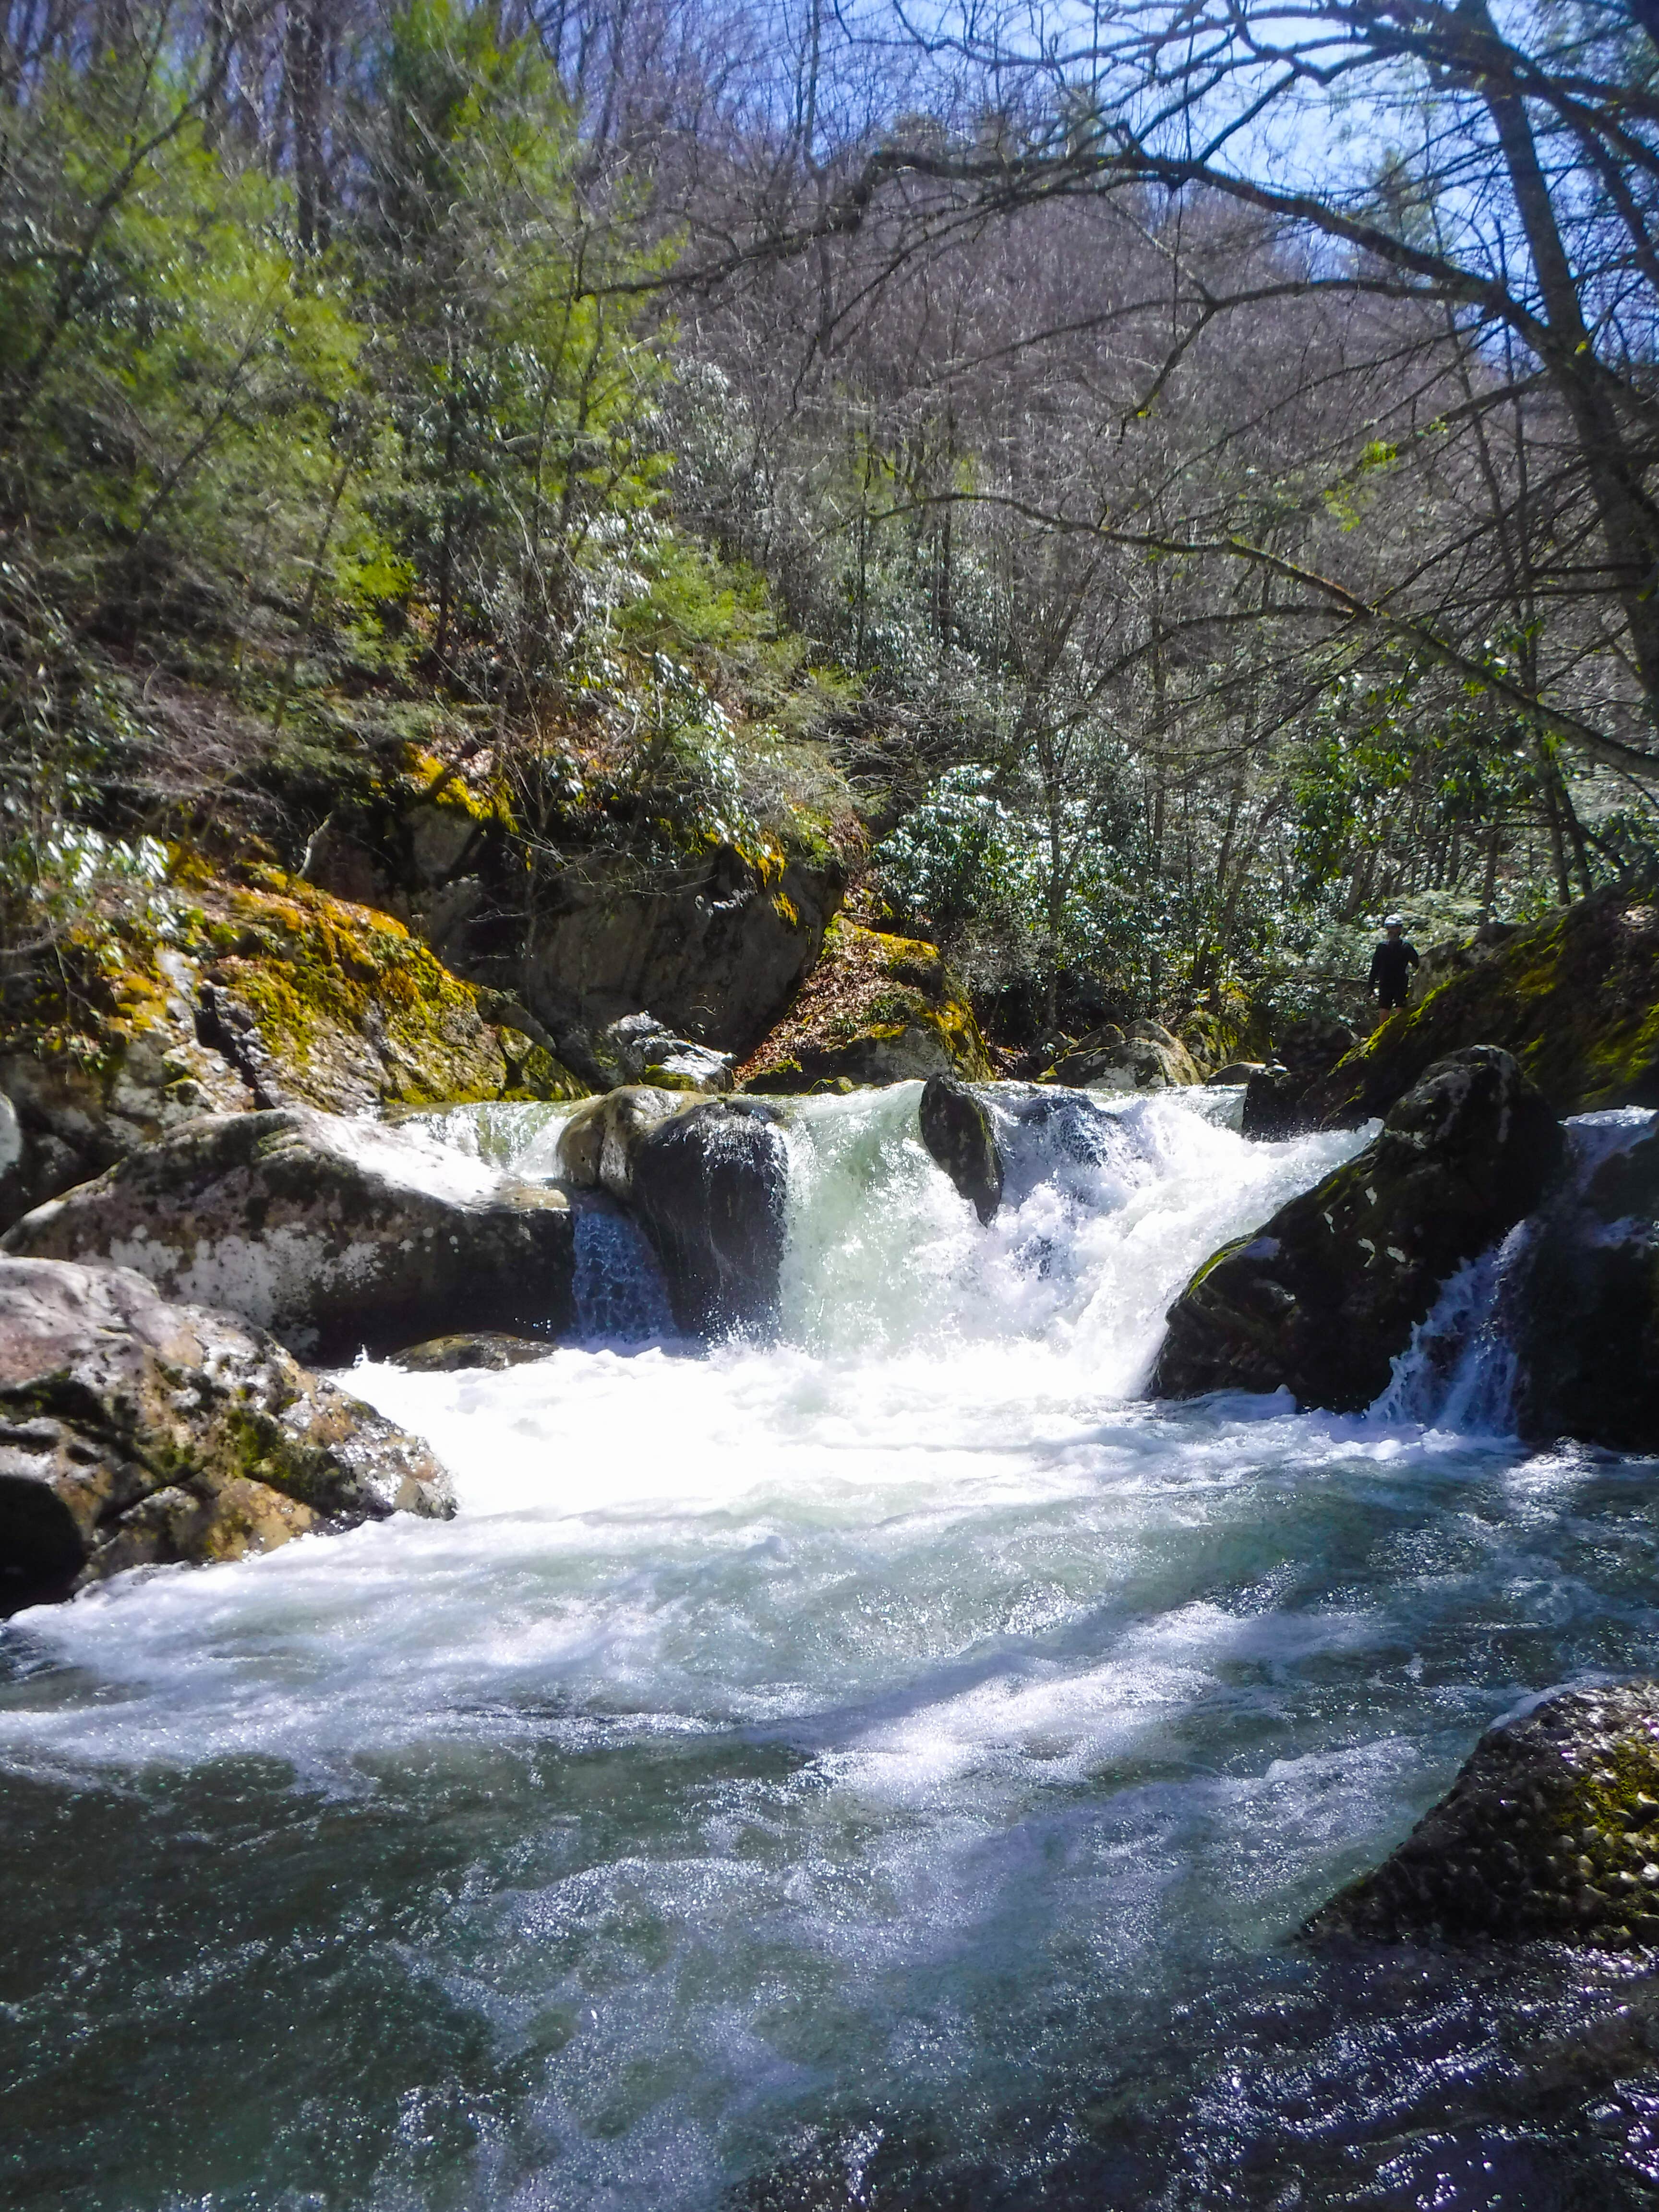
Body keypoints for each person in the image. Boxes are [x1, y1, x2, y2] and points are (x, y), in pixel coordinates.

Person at [1368, 914, 1420, 1012]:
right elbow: (1375, 967)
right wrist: (1370, 986)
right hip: (1385, 984)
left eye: (1394, 928)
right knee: (1383, 1010)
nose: (1391, 931)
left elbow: (1418, 964)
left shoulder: (1406, 947)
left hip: (1401, 984)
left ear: (1400, 929)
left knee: (1400, 1011)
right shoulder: (1382, 947)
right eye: (1389, 928)